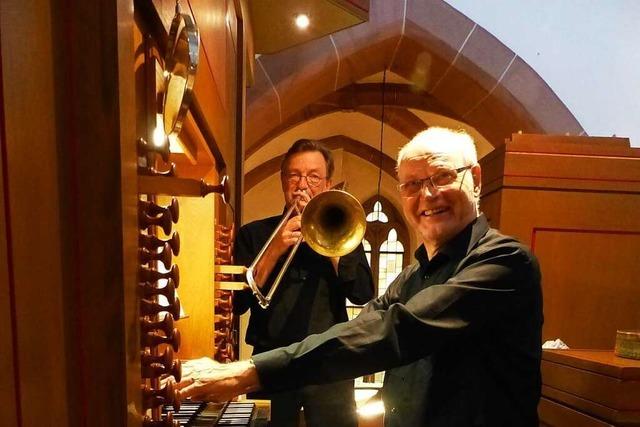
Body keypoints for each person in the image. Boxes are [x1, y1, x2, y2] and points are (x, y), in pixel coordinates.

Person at [178, 127, 543, 427]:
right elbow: (371, 318)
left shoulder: (505, 261)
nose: (427, 195)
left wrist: (247, 373)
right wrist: (250, 367)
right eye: (412, 185)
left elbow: (396, 329)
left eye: (443, 176)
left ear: (475, 178)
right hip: (287, 358)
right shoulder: (414, 275)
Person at [231, 139, 375, 427]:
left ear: (327, 183)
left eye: (313, 177)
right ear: (283, 181)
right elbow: (236, 304)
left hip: (330, 361)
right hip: (271, 362)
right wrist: (274, 251)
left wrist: (331, 246)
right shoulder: (254, 234)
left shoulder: (342, 230)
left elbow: (362, 294)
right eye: (294, 175)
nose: (302, 184)